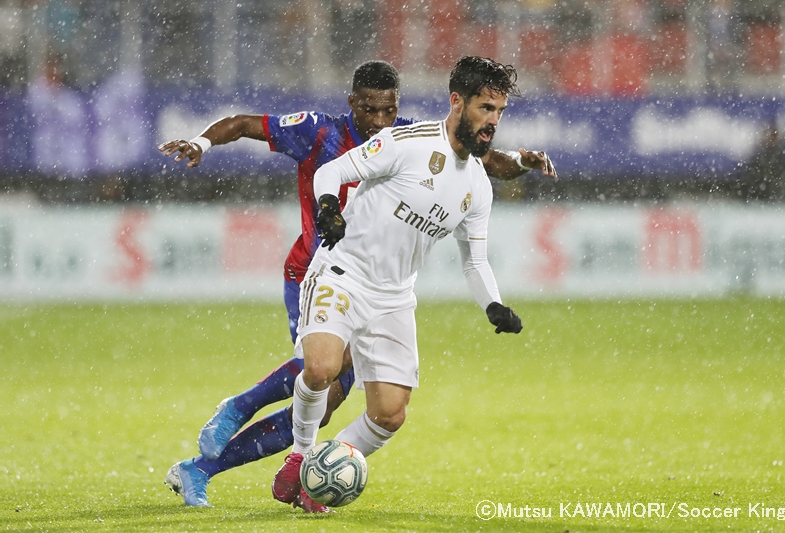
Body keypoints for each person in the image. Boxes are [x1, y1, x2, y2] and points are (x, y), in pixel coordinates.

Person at [160, 60, 556, 511]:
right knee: (322, 368)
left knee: (352, 407)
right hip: (323, 268)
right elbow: (246, 124)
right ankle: (251, 418)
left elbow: (486, 170)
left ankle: (230, 470)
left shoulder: (437, 156)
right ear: (353, 104)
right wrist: (201, 142)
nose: (380, 121)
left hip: (391, 294)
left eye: (388, 111)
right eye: (370, 110)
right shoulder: (327, 132)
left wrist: (522, 164)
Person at [271, 56, 524, 512]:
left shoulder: (479, 186)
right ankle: (300, 455)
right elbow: (332, 172)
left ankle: (319, 478)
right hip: (343, 272)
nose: (493, 121)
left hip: (394, 298)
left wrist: (494, 306)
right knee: (322, 367)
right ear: (456, 101)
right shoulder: (407, 142)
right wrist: (329, 207)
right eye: (486, 108)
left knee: (390, 414)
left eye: (500, 112)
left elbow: (476, 262)